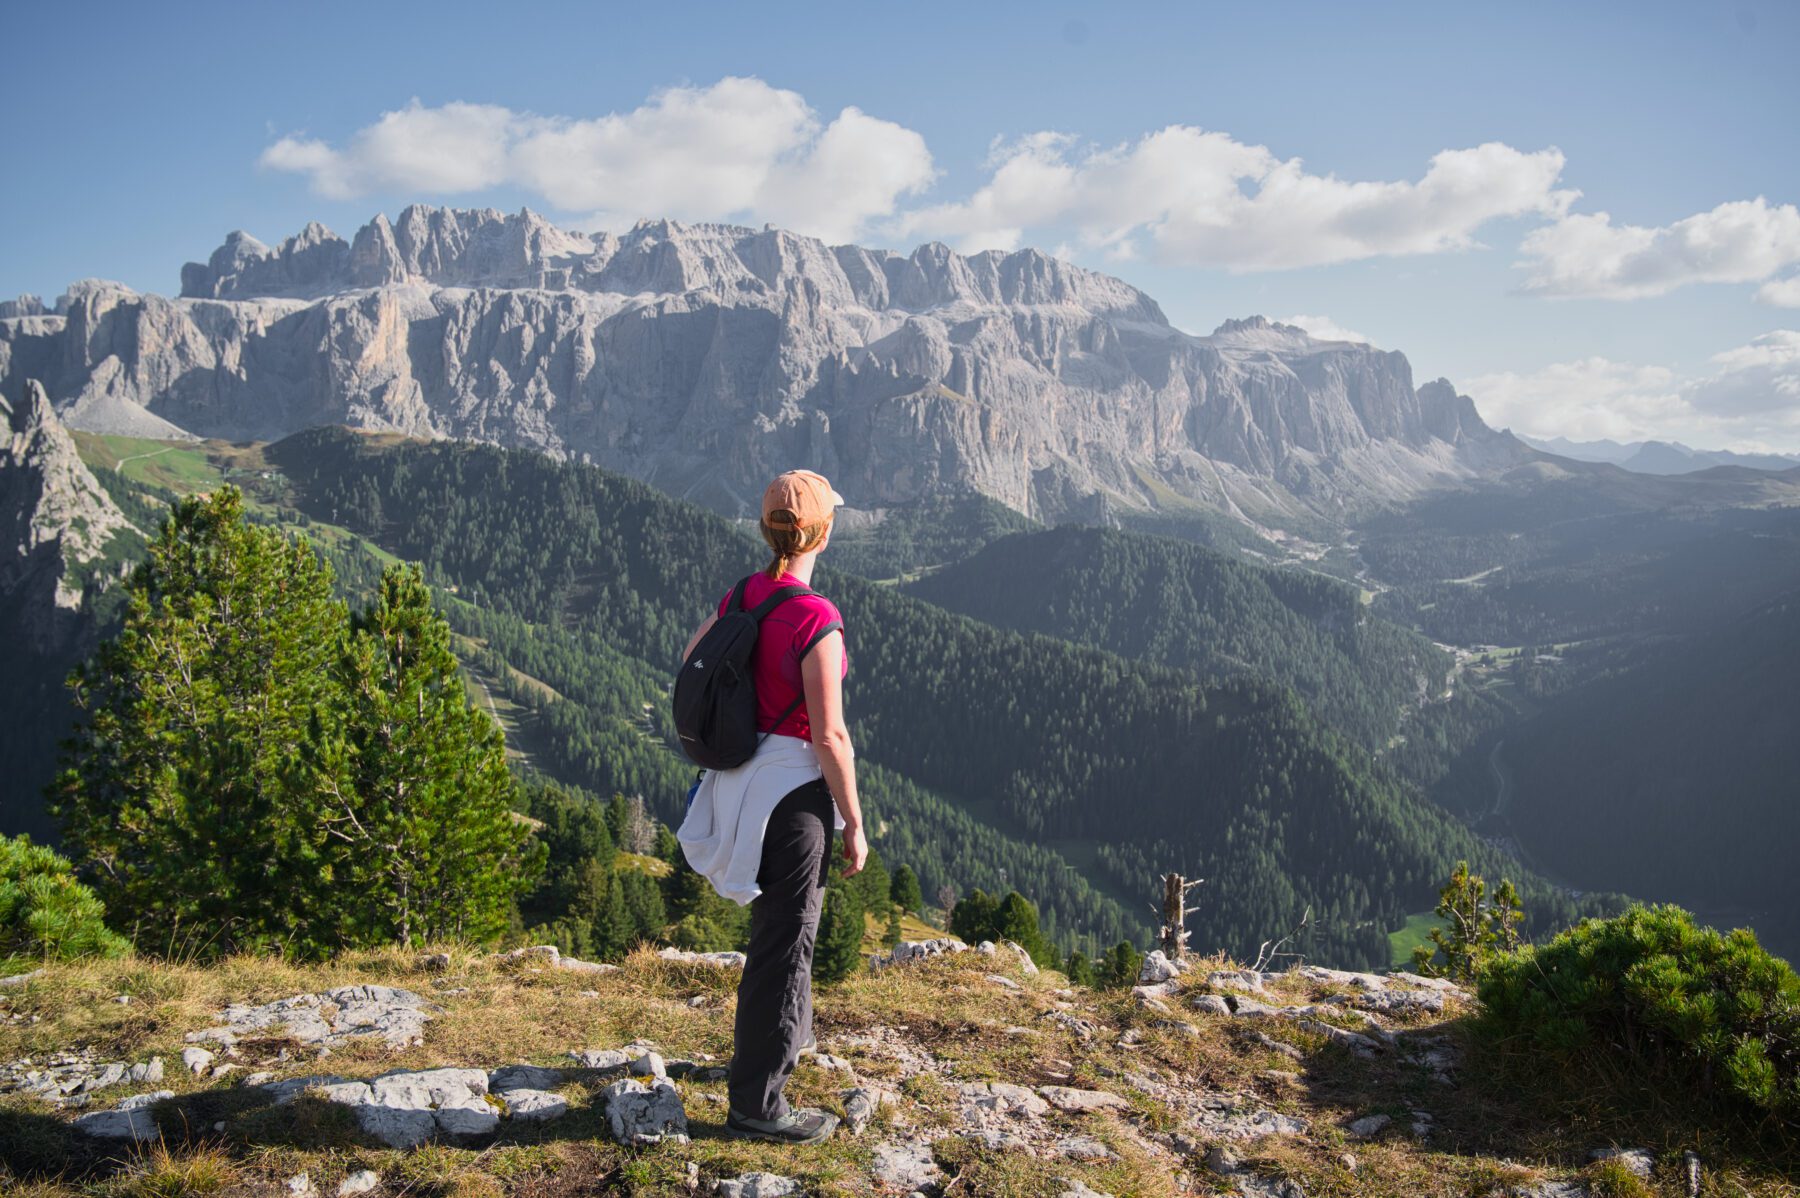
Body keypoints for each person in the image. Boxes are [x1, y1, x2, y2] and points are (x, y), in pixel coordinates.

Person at [675, 468, 867, 1144]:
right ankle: (758, 1104)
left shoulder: (743, 595)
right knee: (785, 945)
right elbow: (830, 734)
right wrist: (855, 822)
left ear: (768, 529)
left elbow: (694, 657)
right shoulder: (818, 620)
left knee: (774, 938)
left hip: (739, 783)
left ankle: (774, 1051)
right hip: (792, 800)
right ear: (823, 533)